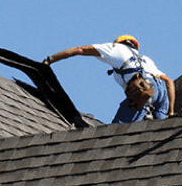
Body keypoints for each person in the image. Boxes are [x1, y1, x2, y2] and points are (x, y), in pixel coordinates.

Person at [43, 35, 175, 123]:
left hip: (144, 90)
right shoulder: (145, 59)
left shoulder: (115, 49)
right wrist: (171, 111)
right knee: (161, 129)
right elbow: (168, 81)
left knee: (119, 129)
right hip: (162, 94)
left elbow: (80, 50)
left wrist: (50, 60)